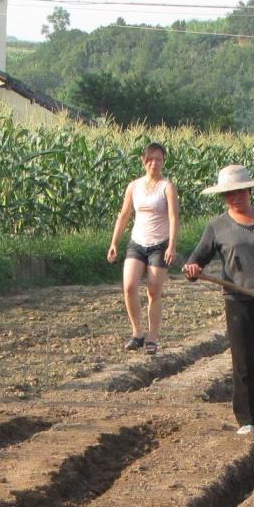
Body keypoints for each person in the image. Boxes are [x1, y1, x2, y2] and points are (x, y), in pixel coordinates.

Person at [182, 164, 254, 435]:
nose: (235, 197)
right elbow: (197, 259)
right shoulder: (217, 226)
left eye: (240, 192)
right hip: (238, 300)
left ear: (249, 191)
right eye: (229, 194)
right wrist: (192, 270)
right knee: (243, 361)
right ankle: (247, 420)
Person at [107, 141, 180, 355]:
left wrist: (172, 246)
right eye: (151, 159)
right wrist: (114, 243)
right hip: (137, 242)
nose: (154, 163)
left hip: (159, 245)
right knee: (129, 286)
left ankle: (152, 337)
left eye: (159, 159)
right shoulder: (134, 186)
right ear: (144, 161)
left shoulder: (167, 186)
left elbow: (174, 217)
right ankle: (137, 333)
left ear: (163, 161)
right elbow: (124, 214)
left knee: (153, 290)